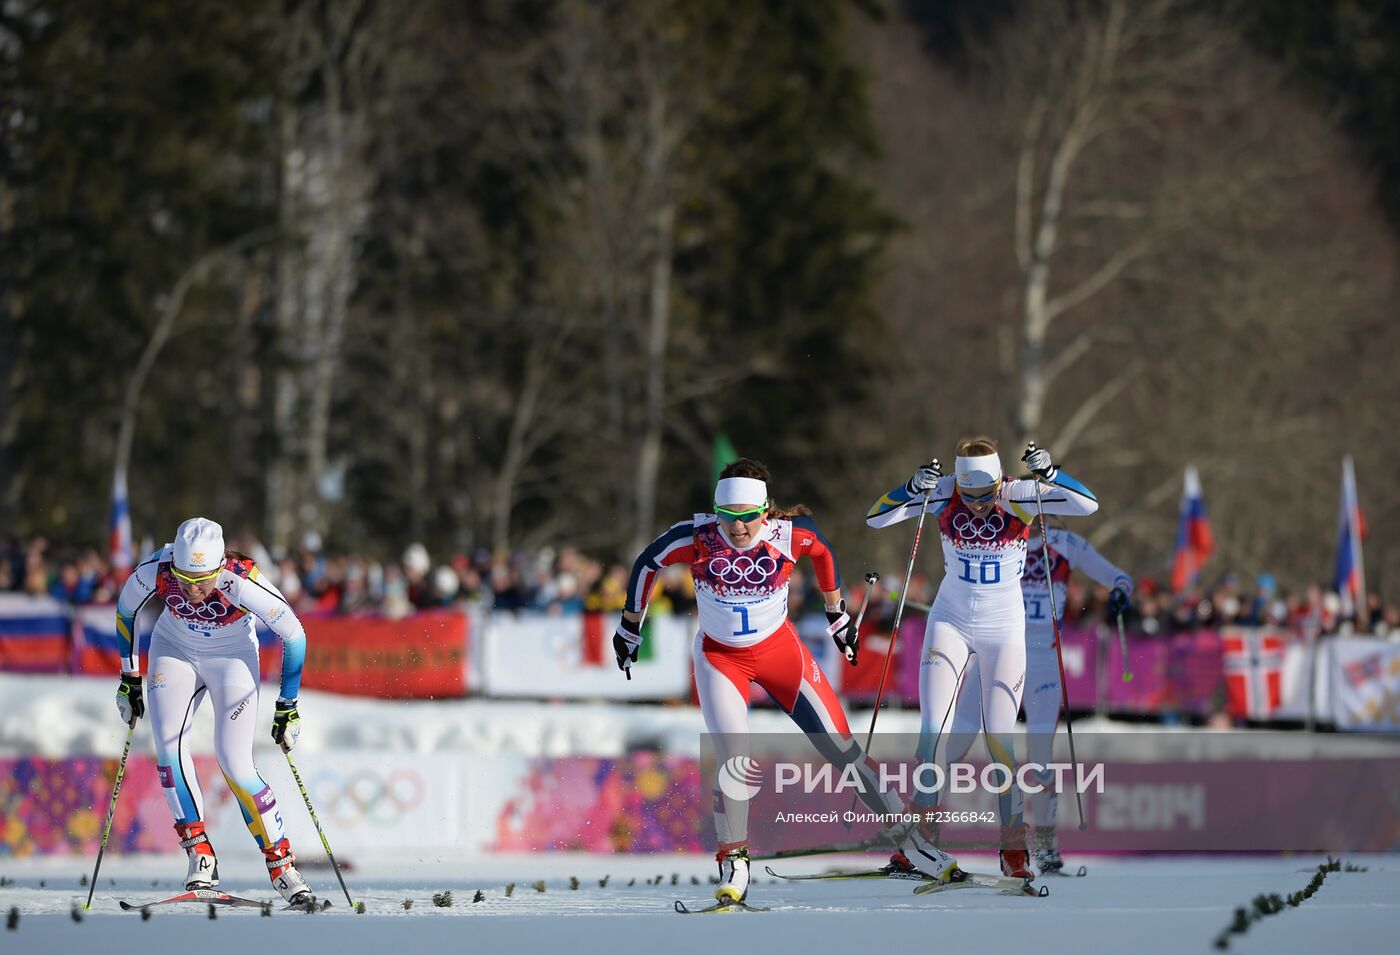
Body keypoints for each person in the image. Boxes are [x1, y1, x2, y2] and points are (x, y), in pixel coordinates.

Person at [615, 459, 935, 905]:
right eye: (729, 517)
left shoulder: (788, 534)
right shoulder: (696, 536)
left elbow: (822, 552)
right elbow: (646, 564)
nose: (739, 527)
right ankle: (734, 864)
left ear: (765, 511)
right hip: (721, 658)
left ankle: (912, 842)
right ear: (716, 511)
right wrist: (631, 627)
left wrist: (837, 612)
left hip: (781, 654)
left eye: (748, 517)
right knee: (734, 757)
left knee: (843, 748)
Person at [866, 438, 1097, 879]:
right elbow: (876, 518)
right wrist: (911, 487)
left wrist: (1051, 475)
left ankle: (1013, 849)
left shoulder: (1017, 494)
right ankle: (920, 844)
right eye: (968, 496)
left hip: (1004, 633)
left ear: (997, 481)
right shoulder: (945, 491)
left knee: (1000, 744)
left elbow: (1087, 505)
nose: (975, 505)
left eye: (984, 494)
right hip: (950, 621)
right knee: (930, 736)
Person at [113, 517, 316, 905]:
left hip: (232, 657)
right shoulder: (155, 570)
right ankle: (199, 854)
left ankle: (282, 866)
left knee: (235, 763)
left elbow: (295, 635)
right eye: (183, 580)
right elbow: (126, 614)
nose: (191, 590)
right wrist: (129, 678)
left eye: (201, 581)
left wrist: (287, 706)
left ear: (219, 567)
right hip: (174, 649)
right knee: (168, 749)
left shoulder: (242, 580)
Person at [944, 515, 1131, 875]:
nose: (1044, 516)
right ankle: (915, 835)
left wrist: (1120, 593)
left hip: (1042, 659)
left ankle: (1045, 848)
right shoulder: (998, 533)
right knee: (956, 742)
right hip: (995, 652)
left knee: (1040, 757)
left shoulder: (1066, 543)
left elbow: (1119, 577)